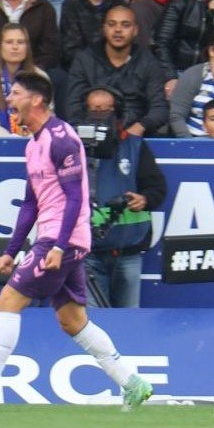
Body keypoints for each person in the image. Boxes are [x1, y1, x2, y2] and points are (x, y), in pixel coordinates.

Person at [0, 71, 152, 412]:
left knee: (8, 301)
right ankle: (133, 382)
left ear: (36, 100)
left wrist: (57, 246)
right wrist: (11, 251)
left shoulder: (62, 139)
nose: (10, 100)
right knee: (72, 320)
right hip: (56, 239)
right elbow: (31, 202)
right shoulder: (34, 143)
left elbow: (73, 198)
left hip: (61, 240)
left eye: (17, 93)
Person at [81, 86, 166, 308]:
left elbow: (157, 188)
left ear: (118, 111)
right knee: (94, 322)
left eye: (105, 109)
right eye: (94, 109)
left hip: (128, 249)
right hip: (88, 252)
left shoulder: (135, 146)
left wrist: (144, 199)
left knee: (129, 320)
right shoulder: (76, 149)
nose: (99, 114)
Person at [67, 4, 168, 137]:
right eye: (112, 24)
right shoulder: (85, 59)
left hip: (136, 134)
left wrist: (140, 127)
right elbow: (73, 107)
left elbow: (159, 108)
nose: (118, 30)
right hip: (91, 134)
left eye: (125, 25)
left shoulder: (148, 62)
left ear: (135, 30)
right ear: (104, 28)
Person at [0, 22, 48, 137]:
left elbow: (47, 119)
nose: (15, 47)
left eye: (21, 42)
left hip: (35, 142)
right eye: (9, 42)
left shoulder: (40, 77)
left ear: (27, 47)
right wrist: (11, 140)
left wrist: (28, 139)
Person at [59, 0, 126, 70]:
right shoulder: (71, 5)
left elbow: (125, 44)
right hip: (80, 71)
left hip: (114, 69)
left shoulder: (119, 5)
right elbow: (70, 50)